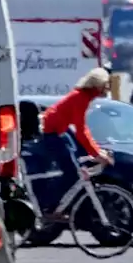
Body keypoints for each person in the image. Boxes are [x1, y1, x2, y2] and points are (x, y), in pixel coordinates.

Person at [35, 68, 114, 215]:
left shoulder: (82, 97)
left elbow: (83, 130)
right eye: (105, 85)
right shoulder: (81, 98)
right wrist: (97, 153)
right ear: (97, 85)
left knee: (77, 164)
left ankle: (58, 206)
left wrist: (96, 151)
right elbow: (81, 130)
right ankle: (50, 206)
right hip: (50, 133)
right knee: (71, 173)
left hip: (57, 131)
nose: (108, 88)